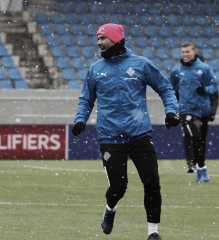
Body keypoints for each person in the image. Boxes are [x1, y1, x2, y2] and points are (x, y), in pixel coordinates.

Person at [72, 23, 180, 240]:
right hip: (110, 137)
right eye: (98, 38)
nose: (99, 42)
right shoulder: (95, 69)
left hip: (139, 135)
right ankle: (110, 208)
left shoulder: (141, 64)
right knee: (119, 186)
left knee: (151, 183)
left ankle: (153, 232)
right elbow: (86, 99)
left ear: (115, 39)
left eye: (103, 38)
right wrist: (80, 120)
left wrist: (171, 111)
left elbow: (166, 88)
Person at [168, 42, 218, 183]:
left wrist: (205, 90)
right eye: (183, 52)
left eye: (187, 52)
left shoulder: (204, 68)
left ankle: (201, 166)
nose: (185, 54)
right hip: (186, 109)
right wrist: (171, 104)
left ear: (194, 53)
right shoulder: (176, 70)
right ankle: (198, 165)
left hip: (203, 110)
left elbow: (214, 85)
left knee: (201, 140)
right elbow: (169, 87)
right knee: (194, 136)